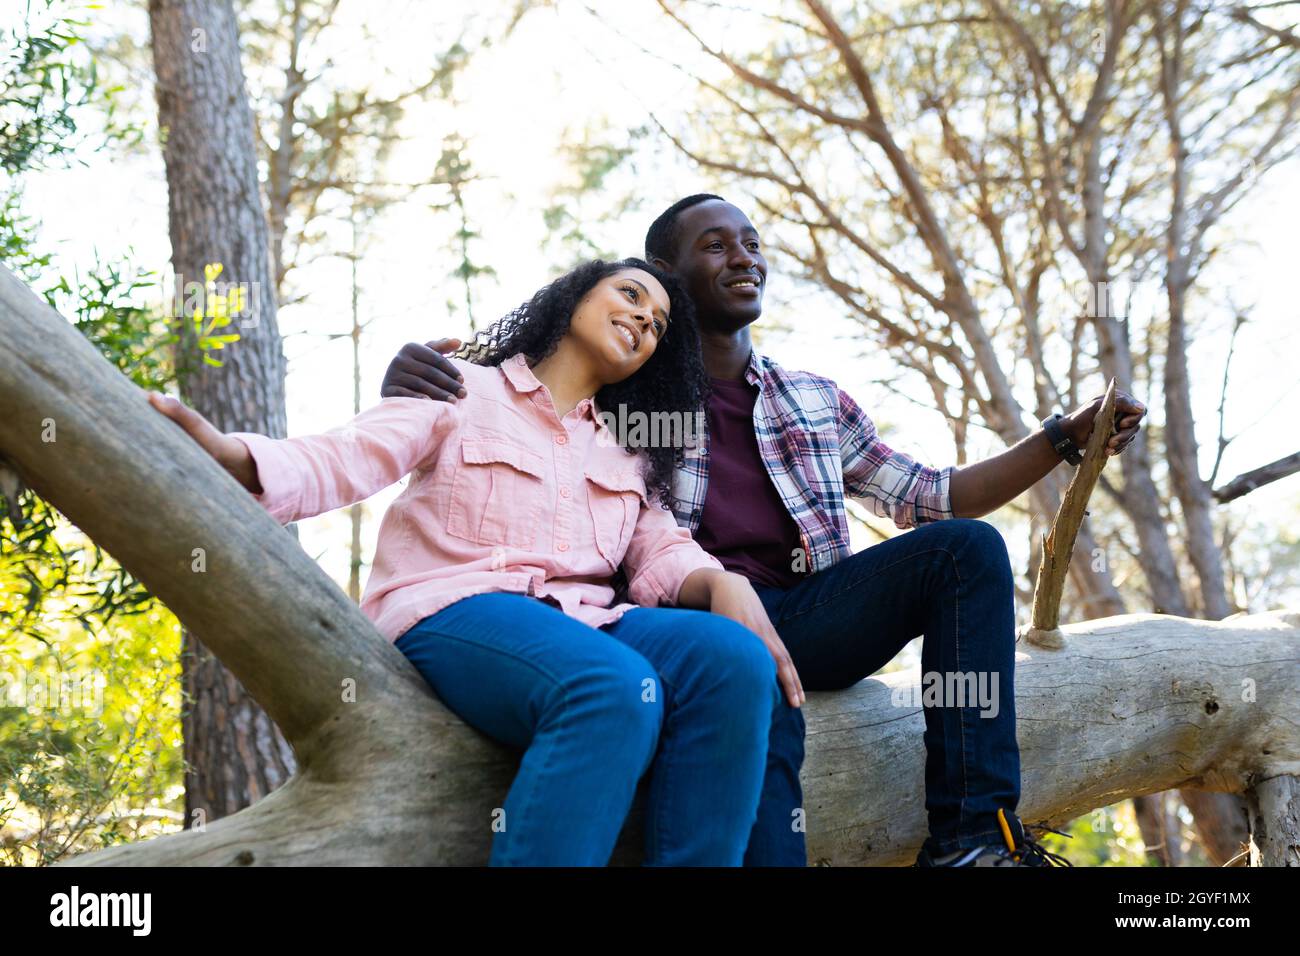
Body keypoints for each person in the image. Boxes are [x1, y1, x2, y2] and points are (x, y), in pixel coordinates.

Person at [380, 196, 1149, 868]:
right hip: (687, 625)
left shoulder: (812, 397)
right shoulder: (619, 393)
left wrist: (1059, 440)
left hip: (814, 611)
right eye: (715, 244)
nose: (743, 256)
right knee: (747, 694)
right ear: (664, 270)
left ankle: (973, 840)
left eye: (750, 242)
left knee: (968, 550)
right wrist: (408, 371)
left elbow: (934, 496)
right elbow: (516, 401)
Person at [148, 257, 804, 867]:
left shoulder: (627, 449)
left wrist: (721, 579)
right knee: (609, 689)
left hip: (585, 623)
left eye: (657, 323)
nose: (642, 319)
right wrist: (239, 459)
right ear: (574, 297)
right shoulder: (462, 386)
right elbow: (353, 454)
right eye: (630, 295)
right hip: (454, 608)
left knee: (734, 661)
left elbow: (660, 549)